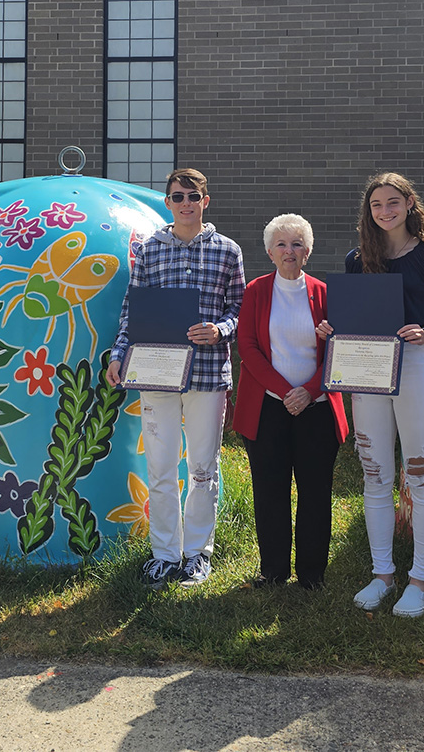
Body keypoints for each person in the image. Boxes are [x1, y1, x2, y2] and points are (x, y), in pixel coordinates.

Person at [318, 172, 424, 617]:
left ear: (408, 204)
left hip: (418, 366)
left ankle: (422, 580)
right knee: (375, 473)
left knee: (420, 475)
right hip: (369, 371)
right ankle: (382, 575)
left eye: (393, 202)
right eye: (377, 204)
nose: (385, 211)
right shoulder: (357, 259)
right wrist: (332, 331)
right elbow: (354, 320)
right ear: (369, 211)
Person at [106, 168, 245, 588]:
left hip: (206, 374)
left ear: (206, 200)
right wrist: (119, 356)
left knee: (203, 468)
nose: (185, 202)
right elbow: (133, 310)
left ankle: (198, 554)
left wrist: (219, 329)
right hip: (157, 373)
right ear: (167, 203)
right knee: (161, 468)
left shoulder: (228, 251)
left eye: (193, 195)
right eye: (177, 196)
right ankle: (165, 554)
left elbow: (240, 310)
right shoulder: (149, 250)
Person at [232, 214, 348, 589]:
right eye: (281, 244)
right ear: (269, 251)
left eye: (297, 243)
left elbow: (339, 351)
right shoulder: (255, 291)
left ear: (308, 251)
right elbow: (247, 347)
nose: (289, 251)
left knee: (315, 492)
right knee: (270, 491)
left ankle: (312, 574)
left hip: (316, 408)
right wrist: (286, 392)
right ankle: (274, 571)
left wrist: (309, 391)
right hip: (268, 407)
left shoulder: (326, 293)